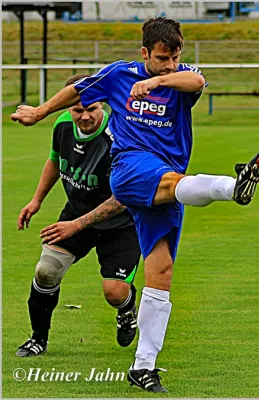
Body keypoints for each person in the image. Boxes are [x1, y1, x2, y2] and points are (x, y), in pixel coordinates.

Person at [11, 17, 259, 393]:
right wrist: (38, 112)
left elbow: (197, 81)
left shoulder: (179, 78)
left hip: (168, 183)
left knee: (161, 273)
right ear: (144, 52)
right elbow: (77, 91)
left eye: (175, 56)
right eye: (162, 58)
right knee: (173, 184)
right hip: (130, 168)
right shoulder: (119, 75)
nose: (170, 64)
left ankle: (143, 366)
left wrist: (158, 80)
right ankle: (235, 186)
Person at [15, 74, 140, 358]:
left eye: (91, 108)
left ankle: (127, 309)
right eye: (78, 110)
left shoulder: (119, 136)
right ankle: (38, 339)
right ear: (69, 107)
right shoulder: (62, 126)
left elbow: (120, 199)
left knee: (115, 293)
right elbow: (55, 160)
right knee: (46, 271)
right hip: (77, 213)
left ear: (104, 106)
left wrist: (76, 225)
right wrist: (36, 200)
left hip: (122, 222)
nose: (84, 116)